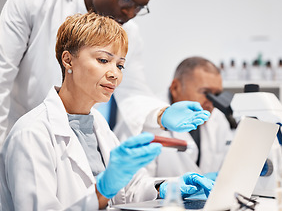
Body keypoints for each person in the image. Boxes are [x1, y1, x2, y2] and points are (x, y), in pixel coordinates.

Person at [0, 13, 214, 211]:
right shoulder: (32, 134)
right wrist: (101, 191)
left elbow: (127, 190)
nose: (114, 74)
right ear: (68, 60)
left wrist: (168, 187)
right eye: (103, 60)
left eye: (120, 65)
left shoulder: (97, 124)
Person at [0, 0, 210, 146]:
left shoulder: (130, 33)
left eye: (139, 7)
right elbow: (2, 74)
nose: (129, 12)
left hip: (74, 142)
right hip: (19, 134)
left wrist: (162, 113)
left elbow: (132, 93)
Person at [123, 57, 235, 178]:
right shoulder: (144, 119)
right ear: (175, 87)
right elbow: (136, 186)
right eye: (205, 92)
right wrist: (173, 187)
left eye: (217, 94)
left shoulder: (217, 118)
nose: (212, 102)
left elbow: (229, 161)